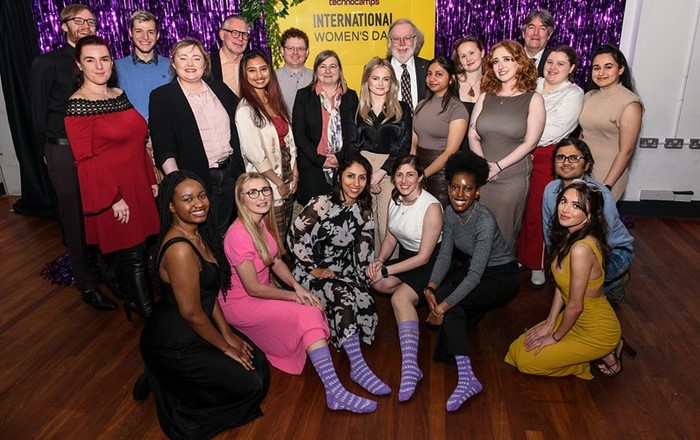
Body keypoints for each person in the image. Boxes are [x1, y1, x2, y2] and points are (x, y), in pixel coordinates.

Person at [220, 173, 377, 413]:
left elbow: (276, 261)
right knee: (308, 313)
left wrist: (297, 286)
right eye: (252, 192)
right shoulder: (238, 234)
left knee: (311, 308)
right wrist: (294, 296)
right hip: (241, 303)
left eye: (265, 190)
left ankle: (337, 389)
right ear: (241, 199)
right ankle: (335, 391)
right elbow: (252, 287)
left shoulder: (261, 222)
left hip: (263, 292)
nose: (261, 197)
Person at [139, 171, 269, 439]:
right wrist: (225, 347)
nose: (199, 203)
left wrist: (228, 332)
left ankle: (162, 377)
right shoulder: (180, 249)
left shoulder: (199, 234)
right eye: (188, 199)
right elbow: (191, 312)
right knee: (251, 385)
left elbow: (208, 296)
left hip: (196, 325)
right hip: (174, 341)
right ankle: (163, 375)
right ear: (172, 206)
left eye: (201, 196)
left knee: (260, 363)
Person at [65, 35, 160, 320]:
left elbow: (137, 140)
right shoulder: (77, 105)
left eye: (104, 59)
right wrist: (114, 198)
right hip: (113, 191)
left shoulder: (118, 95)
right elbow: (85, 158)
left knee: (142, 251)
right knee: (133, 255)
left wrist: (150, 177)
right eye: (90, 60)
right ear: (79, 65)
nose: (99, 66)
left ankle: (133, 300)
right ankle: (149, 317)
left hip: (138, 183)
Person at [29, 4, 116, 310]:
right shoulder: (47, 63)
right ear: (64, 24)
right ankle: (87, 283)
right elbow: (37, 112)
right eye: (78, 21)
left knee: (102, 210)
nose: (85, 25)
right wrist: (45, 150)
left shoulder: (99, 62)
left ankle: (108, 271)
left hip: (98, 149)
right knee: (73, 217)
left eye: (91, 21)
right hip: (63, 149)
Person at [288, 154, 390, 397]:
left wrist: (367, 273)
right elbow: (294, 237)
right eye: (350, 176)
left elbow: (363, 248)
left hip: (344, 269)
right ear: (339, 177)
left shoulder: (364, 210)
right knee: (343, 296)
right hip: (310, 269)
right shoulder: (320, 203)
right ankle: (358, 366)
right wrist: (314, 268)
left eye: (362, 178)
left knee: (363, 300)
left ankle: (350, 346)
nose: (356, 183)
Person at [425, 151, 520, 412]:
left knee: (450, 305)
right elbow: (445, 253)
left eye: (468, 189)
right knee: (445, 295)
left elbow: (476, 276)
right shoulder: (449, 211)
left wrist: (442, 306)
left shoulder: (484, 220)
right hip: (475, 269)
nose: (459, 194)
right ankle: (467, 316)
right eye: (455, 187)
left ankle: (467, 379)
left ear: (477, 192)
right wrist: (431, 286)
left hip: (502, 276)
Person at [505, 181, 628, 379]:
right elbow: (561, 288)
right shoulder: (568, 236)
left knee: (527, 362)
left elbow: (576, 306)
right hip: (574, 320)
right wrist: (550, 322)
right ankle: (591, 353)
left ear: (589, 216)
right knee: (516, 350)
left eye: (576, 206)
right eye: (563, 201)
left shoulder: (581, 249)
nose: (565, 209)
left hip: (596, 329)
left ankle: (605, 350)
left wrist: (554, 337)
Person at [366, 155, 442, 402]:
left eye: (410, 174)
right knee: (377, 280)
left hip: (432, 261)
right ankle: (412, 297)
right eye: (399, 174)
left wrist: (390, 269)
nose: (404, 180)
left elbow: (424, 257)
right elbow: (390, 237)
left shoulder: (430, 207)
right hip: (408, 257)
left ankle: (411, 368)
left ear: (421, 176)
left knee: (399, 299)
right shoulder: (395, 199)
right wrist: (379, 261)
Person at [150, 38, 244, 237]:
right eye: (183, 58)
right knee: (202, 237)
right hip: (196, 179)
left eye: (196, 58)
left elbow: (243, 120)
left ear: (205, 63)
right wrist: (179, 182)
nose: (190, 64)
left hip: (228, 175)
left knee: (225, 232)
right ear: (174, 63)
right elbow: (164, 147)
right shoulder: (162, 97)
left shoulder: (219, 89)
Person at [469, 39, 546, 252]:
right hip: (482, 176)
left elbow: (531, 142)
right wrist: (485, 166)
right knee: (477, 235)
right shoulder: (485, 96)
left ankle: (499, 282)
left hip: (511, 178)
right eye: (495, 61)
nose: (500, 66)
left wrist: (498, 166)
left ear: (520, 63)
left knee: (502, 236)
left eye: (507, 59)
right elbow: (473, 134)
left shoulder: (533, 99)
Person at [517, 46, 584, 288]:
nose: (553, 67)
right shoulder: (532, 84)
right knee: (520, 209)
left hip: (547, 155)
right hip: (519, 152)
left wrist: (524, 139)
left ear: (572, 68)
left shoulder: (574, 94)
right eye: (550, 62)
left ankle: (537, 263)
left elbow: (556, 128)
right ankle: (521, 256)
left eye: (561, 63)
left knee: (538, 211)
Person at [542, 138, 634, 303]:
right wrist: (555, 263)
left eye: (574, 158)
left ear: (587, 165)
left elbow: (601, 242)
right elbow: (549, 231)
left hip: (613, 251)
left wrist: (573, 269)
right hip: (576, 248)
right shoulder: (550, 189)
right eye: (560, 157)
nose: (566, 162)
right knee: (568, 281)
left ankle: (617, 280)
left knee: (583, 292)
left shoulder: (600, 195)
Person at [349, 57, 412, 245]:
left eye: (386, 79)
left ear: (392, 82)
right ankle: (365, 270)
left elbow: (404, 145)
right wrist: (367, 174)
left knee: (386, 227)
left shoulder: (403, 108)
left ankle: (386, 269)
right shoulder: (356, 108)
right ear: (367, 80)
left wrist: (381, 172)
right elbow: (352, 145)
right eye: (375, 78)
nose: (381, 83)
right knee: (364, 226)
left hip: (390, 170)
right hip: (361, 170)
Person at [236, 50, 298, 241]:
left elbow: (290, 139)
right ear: (244, 75)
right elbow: (255, 155)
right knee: (273, 241)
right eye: (252, 71)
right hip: (266, 180)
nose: (259, 75)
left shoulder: (274, 100)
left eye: (263, 69)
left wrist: (295, 173)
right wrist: (279, 183)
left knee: (284, 234)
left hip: (287, 171)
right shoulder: (245, 109)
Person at [292, 50, 359, 205]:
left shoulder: (351, 97)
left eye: (333, 66)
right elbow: (299, 134)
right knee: (314, 219)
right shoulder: (304, 96)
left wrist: (339, 157)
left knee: (341, 217)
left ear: (339, 71)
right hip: (312, 168)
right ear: (316, 71)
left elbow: (355, 133)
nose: (328, 71)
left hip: (343, 167)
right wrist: (320, 160)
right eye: (323, 66)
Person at [579, 45, 643, 201]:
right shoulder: (589, 96)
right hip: (584, 170)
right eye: (596, 68)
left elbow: (627, 151)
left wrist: (607, 185)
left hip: (609, 173)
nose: (601, 73)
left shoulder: (630, 103)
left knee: (598, 221)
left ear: (620, 69)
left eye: (608, 67)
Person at [411, 56, 469, 207]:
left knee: (438, 220)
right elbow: (414, 142)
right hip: (418, 169)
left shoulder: (457, 109)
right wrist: (411, 169)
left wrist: (423, 175)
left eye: (439, 74)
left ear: (451, 79)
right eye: (429, 74)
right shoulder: (421, 105)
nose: (432, 78)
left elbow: (451, 152)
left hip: (441, 175)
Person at [114, 10, 172, 121]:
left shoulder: (172, 66)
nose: (145, 37)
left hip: (165, 134)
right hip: (129, 133)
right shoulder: (115, 67)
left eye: (150, 32)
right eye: (139, 31)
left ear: (158, 35)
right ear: (130, 33)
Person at [387, 18, 430, 109]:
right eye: (396, 38)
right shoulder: (377, 69)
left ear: (415, 40)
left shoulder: (429, 68)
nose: (402, 43)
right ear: (390, 42)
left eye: (407, 38)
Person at [211, 14, 250, 96]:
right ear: (222, 35)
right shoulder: (207, 65)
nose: (240, 38)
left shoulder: (251, 62)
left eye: (244, 34)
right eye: (235, 33)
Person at [276, 28, 313, 113]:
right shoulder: (271, 79)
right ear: (282, 51)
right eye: (290, 48)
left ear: (307, 52)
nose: (295, 52)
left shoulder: (317, 78)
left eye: (300, 48)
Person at [521, 9, 555, 77]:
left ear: (549, 35)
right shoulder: (511, 56)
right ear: (523, 33)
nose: (536, 33)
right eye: (531, 27)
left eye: (542, 28)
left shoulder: (555, 61)